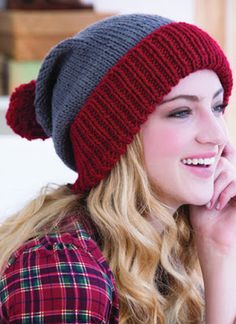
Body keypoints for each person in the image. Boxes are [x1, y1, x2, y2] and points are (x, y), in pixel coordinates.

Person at [0, 13, 235, 324]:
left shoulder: (169, 252)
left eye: (217, 107)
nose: (218, 135)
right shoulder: (63, 270)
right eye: (181, 112)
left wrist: (218, 247)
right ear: (116, 138)